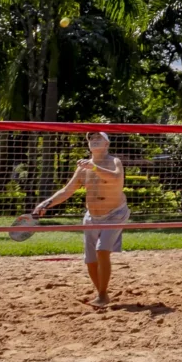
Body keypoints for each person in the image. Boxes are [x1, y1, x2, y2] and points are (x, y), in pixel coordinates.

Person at [33, 131, 128, 309]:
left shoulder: (114, 161)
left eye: (99, 138)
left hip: (116, 212)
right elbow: (66, 191)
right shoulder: (83, 168)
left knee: (102, 250)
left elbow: (115, 179)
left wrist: (93, 167)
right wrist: (46, 203)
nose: (94, 140)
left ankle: (101, 295)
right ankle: (102, 293)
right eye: (91, 138)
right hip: (92, 215)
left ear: (107, 144)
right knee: (90, 259)